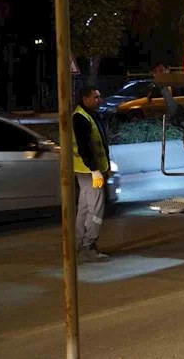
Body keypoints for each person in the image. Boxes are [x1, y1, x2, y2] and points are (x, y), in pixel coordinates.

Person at [72, 86, 112, 263]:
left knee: (84, 209)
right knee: (95, 209)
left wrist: (106, 167)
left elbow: (100, 144)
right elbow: (85, 148)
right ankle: (88, 246)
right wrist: (96, 171)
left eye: (100, 96)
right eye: (96, 97)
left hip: (88, 171)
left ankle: (79, 245)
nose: (99, 100)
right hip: (90, 172)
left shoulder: (90, 115)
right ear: (85, 98)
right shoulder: (80, 117)